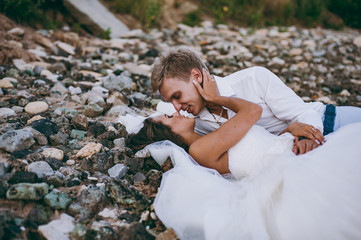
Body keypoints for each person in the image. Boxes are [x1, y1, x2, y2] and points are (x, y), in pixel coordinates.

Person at [127, 69, 361, 239]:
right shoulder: (200, 149)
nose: (175, 111)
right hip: (296, 162)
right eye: (169, 116)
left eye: (174, 102)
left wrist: (289, 130)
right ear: (170, 135)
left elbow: (258, 139)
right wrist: (215, 98)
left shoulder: (206, 133)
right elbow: (253, 111)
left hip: (305, 139)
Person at [151, 48, 361, 155]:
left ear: (197, 76)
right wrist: (288, 133)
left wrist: (309, 137)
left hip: (329, 122)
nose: (177, 108)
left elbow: (302, 113)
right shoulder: (196, 124)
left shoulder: (253, 79)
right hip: (297, 153)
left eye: (177, 96)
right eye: (171, 102)